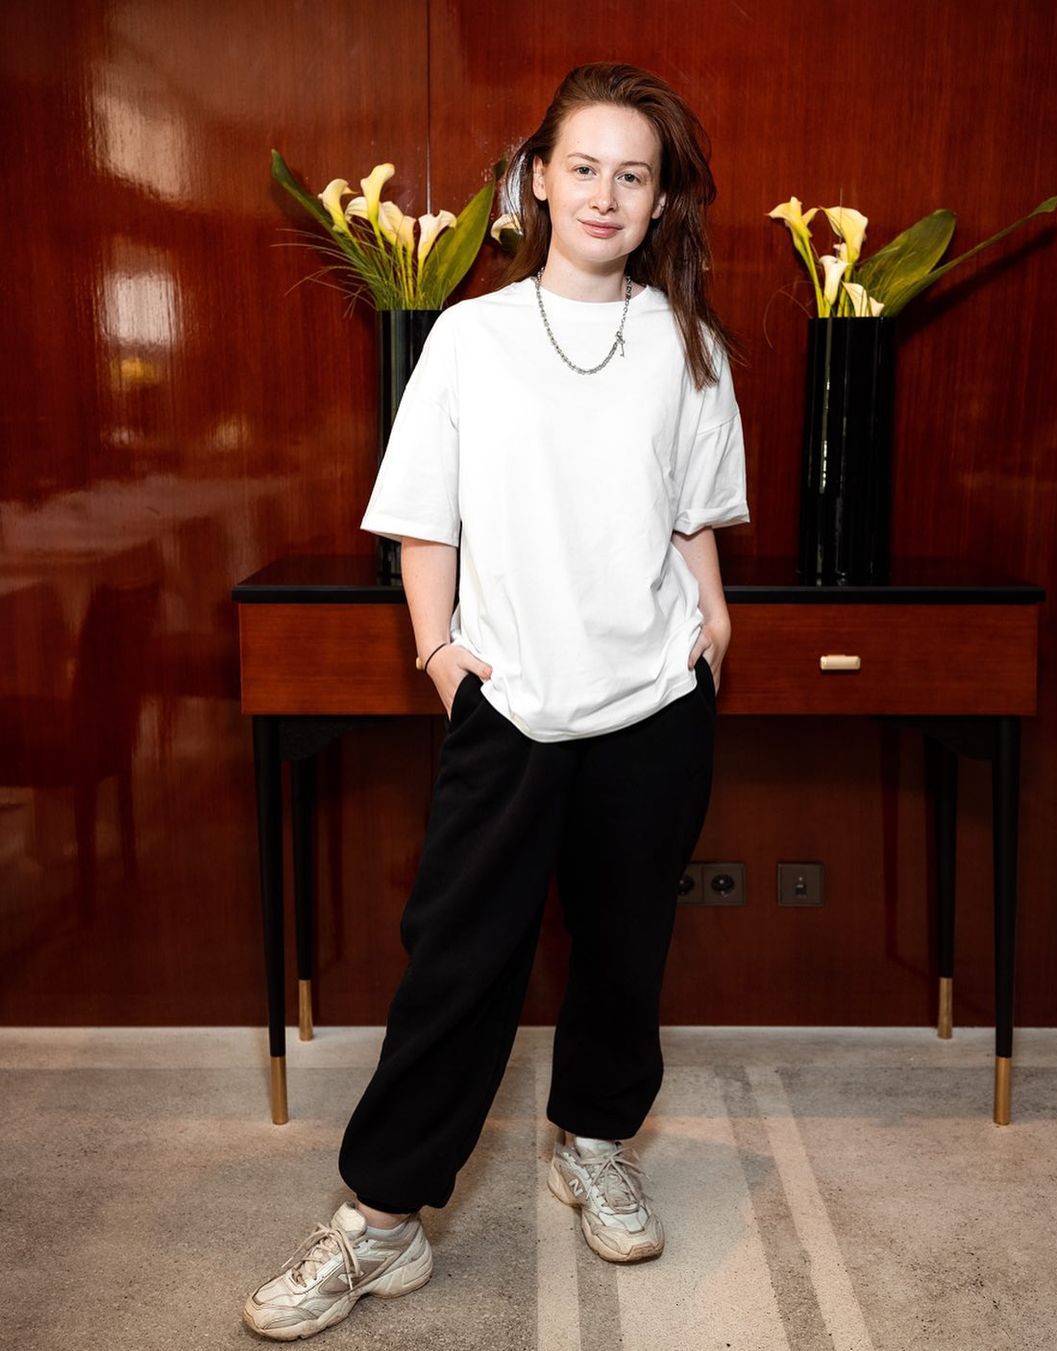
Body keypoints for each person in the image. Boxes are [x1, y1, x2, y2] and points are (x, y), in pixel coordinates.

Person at [243, 60, 750, 1342]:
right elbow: (426, 516)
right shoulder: (471, 338)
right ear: (537, 180)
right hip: (511, 700)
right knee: (460, 963)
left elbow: (691, 512)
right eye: (584, 167)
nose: (606, 193)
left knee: (626, 948)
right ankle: (384, 1219)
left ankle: (593, 1139)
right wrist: (438, 653)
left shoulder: (687, 344)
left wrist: (713, 619)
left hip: (655, 700)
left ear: (658, 202)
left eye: (633, 175)